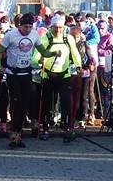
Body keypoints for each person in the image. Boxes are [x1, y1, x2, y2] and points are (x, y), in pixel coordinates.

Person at [32, 14, 81, 142]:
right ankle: (45, 128)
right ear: (51, 26)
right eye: (55, 27)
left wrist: (78, 66)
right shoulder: (45, 38)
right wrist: (39, 61)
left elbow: (74, 53)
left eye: (60, 27)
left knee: (67, 101)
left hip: (64, 74)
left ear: (63, 26)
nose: (58, 30)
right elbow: (36, 56)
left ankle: (68, 128)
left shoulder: (68, 38)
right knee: (47, 103)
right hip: (48, 75)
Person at [3, 13, 37, 147]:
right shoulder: (10, 35)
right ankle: (14, 132)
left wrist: (50, 54)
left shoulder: (34, 34)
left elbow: (41, 49)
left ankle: (18, 133)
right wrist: (1, 66)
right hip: (13, 74)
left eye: (30, 26)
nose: (27, 29)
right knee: (16, 102)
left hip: (26, 73)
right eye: (25, 27)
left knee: (24, 105)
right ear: (20, 25)